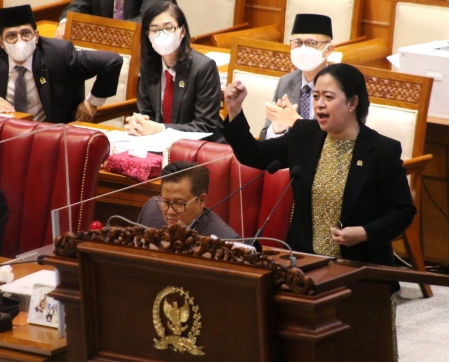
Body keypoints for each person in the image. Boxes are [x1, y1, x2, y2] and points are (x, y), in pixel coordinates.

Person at [224, 63, 415, 360]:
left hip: (360, 273)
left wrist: (364, 233)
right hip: (307, 270)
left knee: (362, 351)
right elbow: (255, 156)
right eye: (315, 96)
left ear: (352, 103)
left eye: (328, 97)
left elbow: (403, 211)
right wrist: (235, 111)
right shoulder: (305, 135)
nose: (319, 104)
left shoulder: (381, 150)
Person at [0, 5, 123, 124]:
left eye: (26, 33)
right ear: (0, 42)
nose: (20, 40)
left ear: (36, 36)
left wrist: (91, 103)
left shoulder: (59, 54)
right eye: (11, 35)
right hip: (2, 137)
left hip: (51, 136)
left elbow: (112, 61)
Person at [123, 2, 224, 142]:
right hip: (159, 145)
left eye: (168, 28)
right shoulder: (148, 66)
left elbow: (205, 126)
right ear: (147, 35)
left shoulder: (204, 68)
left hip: (198, 148)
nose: (161, 34)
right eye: (154, 29)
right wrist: (139, 123)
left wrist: (162, 128)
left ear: (182, 31)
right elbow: (146, 114)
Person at [259, 14, 334, 140]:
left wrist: (296, 121)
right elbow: (264, 138)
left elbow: (342, 142)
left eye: (311, 43)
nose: (303, 49)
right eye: (298, 43)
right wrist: (276, 129)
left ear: (329, 50)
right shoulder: (286, 82)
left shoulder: (344, 86)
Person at [138, 161, 239, 240]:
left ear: (201, 200)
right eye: (166, 202)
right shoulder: (150, 211)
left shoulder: (226, 240)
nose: (170, 212)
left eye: (179, 203)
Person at [54, 0, 178, 39]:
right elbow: (77, 6)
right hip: (105, 54)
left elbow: (149, 20)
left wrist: (104, 32)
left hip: (147, 58)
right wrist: (66, 23)